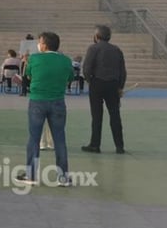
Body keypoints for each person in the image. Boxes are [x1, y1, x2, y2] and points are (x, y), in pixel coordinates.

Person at [14, 31, 75, 186]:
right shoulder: (66, 61)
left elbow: (28, 75)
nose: (38, 45)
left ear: (44, 45)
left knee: (34, 138)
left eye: (40, 42)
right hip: (58, 102)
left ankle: (31, 175)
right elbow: (70, 78)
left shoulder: (34, 59)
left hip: (38, 101)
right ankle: (63, 177)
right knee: (59, 139)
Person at [82, 24, 127, 154]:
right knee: (115, 115)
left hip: (97, 83)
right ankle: (119, 146)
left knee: (96, 115)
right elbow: (122, 71)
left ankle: (95, 145)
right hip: (113, 84)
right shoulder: (117, 50)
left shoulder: (93, 48)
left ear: (96, 36)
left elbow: (87, 68)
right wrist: (120, 86)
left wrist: (90, 81)